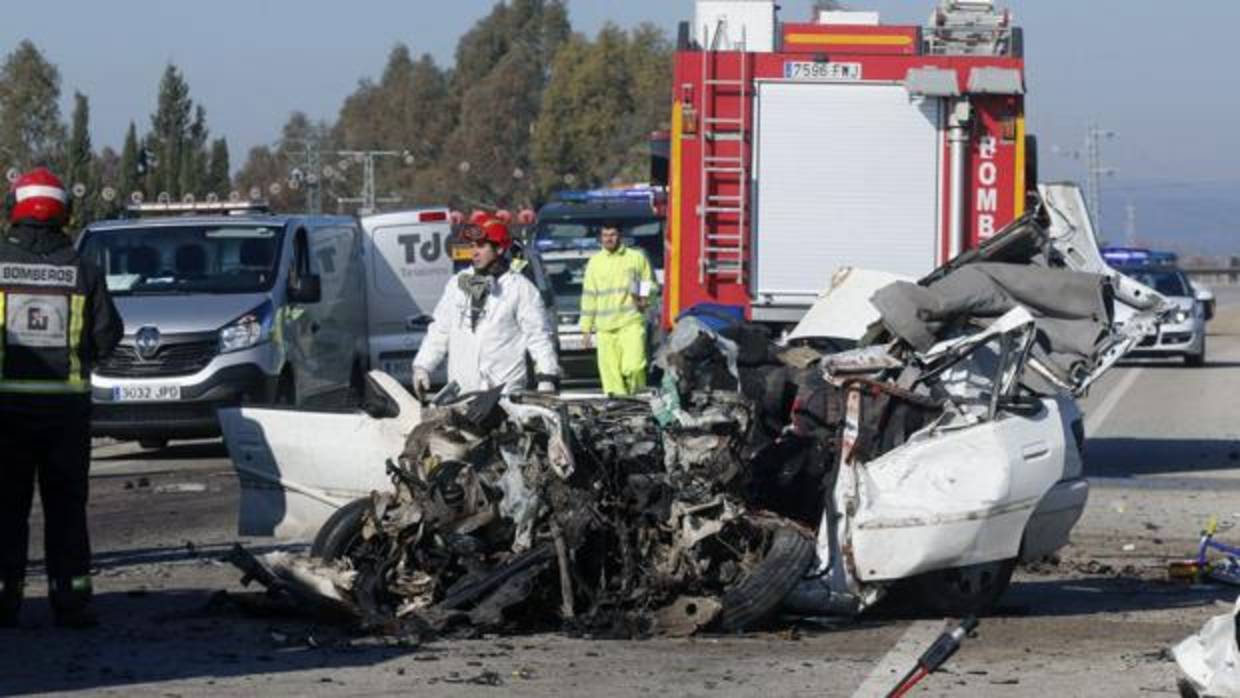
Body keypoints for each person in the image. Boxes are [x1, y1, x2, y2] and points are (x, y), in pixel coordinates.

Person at [0, 167, 123, 629]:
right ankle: (71, 601)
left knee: (6, 508)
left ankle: (4, 599)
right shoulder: (83, 270)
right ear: (62, 213)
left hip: (5, 412)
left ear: (16, 207)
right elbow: (108, 334)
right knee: (66, 508)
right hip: (66, 414)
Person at [412, 217, 559, 398]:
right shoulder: (457, 284)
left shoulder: (520, 288)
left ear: (499, 249)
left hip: (505, 394)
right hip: (462, 391)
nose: (474, 253)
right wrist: (423, 366)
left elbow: (538, 336)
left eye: (481, 247)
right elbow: (440, 330)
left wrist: (547, 377)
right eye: (472, 246)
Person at [580, 220, 658, 396]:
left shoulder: (635, 258)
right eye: (605, 235)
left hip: (630, 323)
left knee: (634, 366)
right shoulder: (595, 263)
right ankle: (618, 407)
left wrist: (643, 298)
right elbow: (589, 296)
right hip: (605, 329)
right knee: (610, 375)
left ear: (620, 237)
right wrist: (586, 329)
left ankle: (638, 396)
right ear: (600, 238)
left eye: (613, 235)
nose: (609, 239)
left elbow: (649, 284)